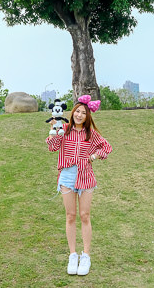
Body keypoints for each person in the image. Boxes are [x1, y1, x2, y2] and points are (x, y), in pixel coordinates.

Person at [46, 96, 112, 276]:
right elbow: (52, 148)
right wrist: (53, 129)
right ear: (72, 112)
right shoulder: (64, 129)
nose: (80, 115)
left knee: (84, 215)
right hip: (67, 176)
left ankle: (86, 256)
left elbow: (106, 147)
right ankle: (72, 255)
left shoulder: (91, 133)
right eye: (77, 111)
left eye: (84, 113)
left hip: (85, 177)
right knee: (70, 216)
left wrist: (94, 156)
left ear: (87, 116)